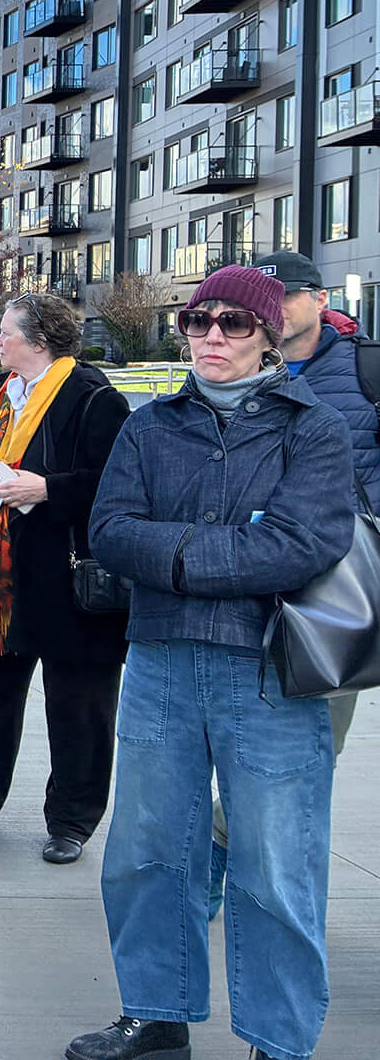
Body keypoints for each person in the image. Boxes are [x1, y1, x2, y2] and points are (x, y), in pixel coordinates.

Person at [70, 265, 355, 1060]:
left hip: (269, 673)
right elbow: (113, 533)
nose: (213, 337)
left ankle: (279, 1038)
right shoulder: (148, 426)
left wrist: (179, 555)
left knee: (276, 864)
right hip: (159, 664)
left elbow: (302, 546)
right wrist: (231, 548)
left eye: (233, 323)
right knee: (148, 851)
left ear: (268, 336)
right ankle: (156, 1013)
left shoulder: (314, 429)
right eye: (200, 322)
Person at [200, 252, 379, 912]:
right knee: (223, 746)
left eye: (285, 294)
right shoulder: (233, 372)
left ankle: (236, 864)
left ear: (318, 298)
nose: (270, 306)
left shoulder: (366, 372)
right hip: (235, 588)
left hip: (331, 594)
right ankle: (215, 859)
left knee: (306, 753)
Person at [0, 293, 130, 865]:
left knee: (79, 708)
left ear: (39, 340)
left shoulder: (94, 397)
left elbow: (117, 485)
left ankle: (71, 821)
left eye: (5, 333)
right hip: (1, 581)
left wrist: (47, 489)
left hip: (70, 582)